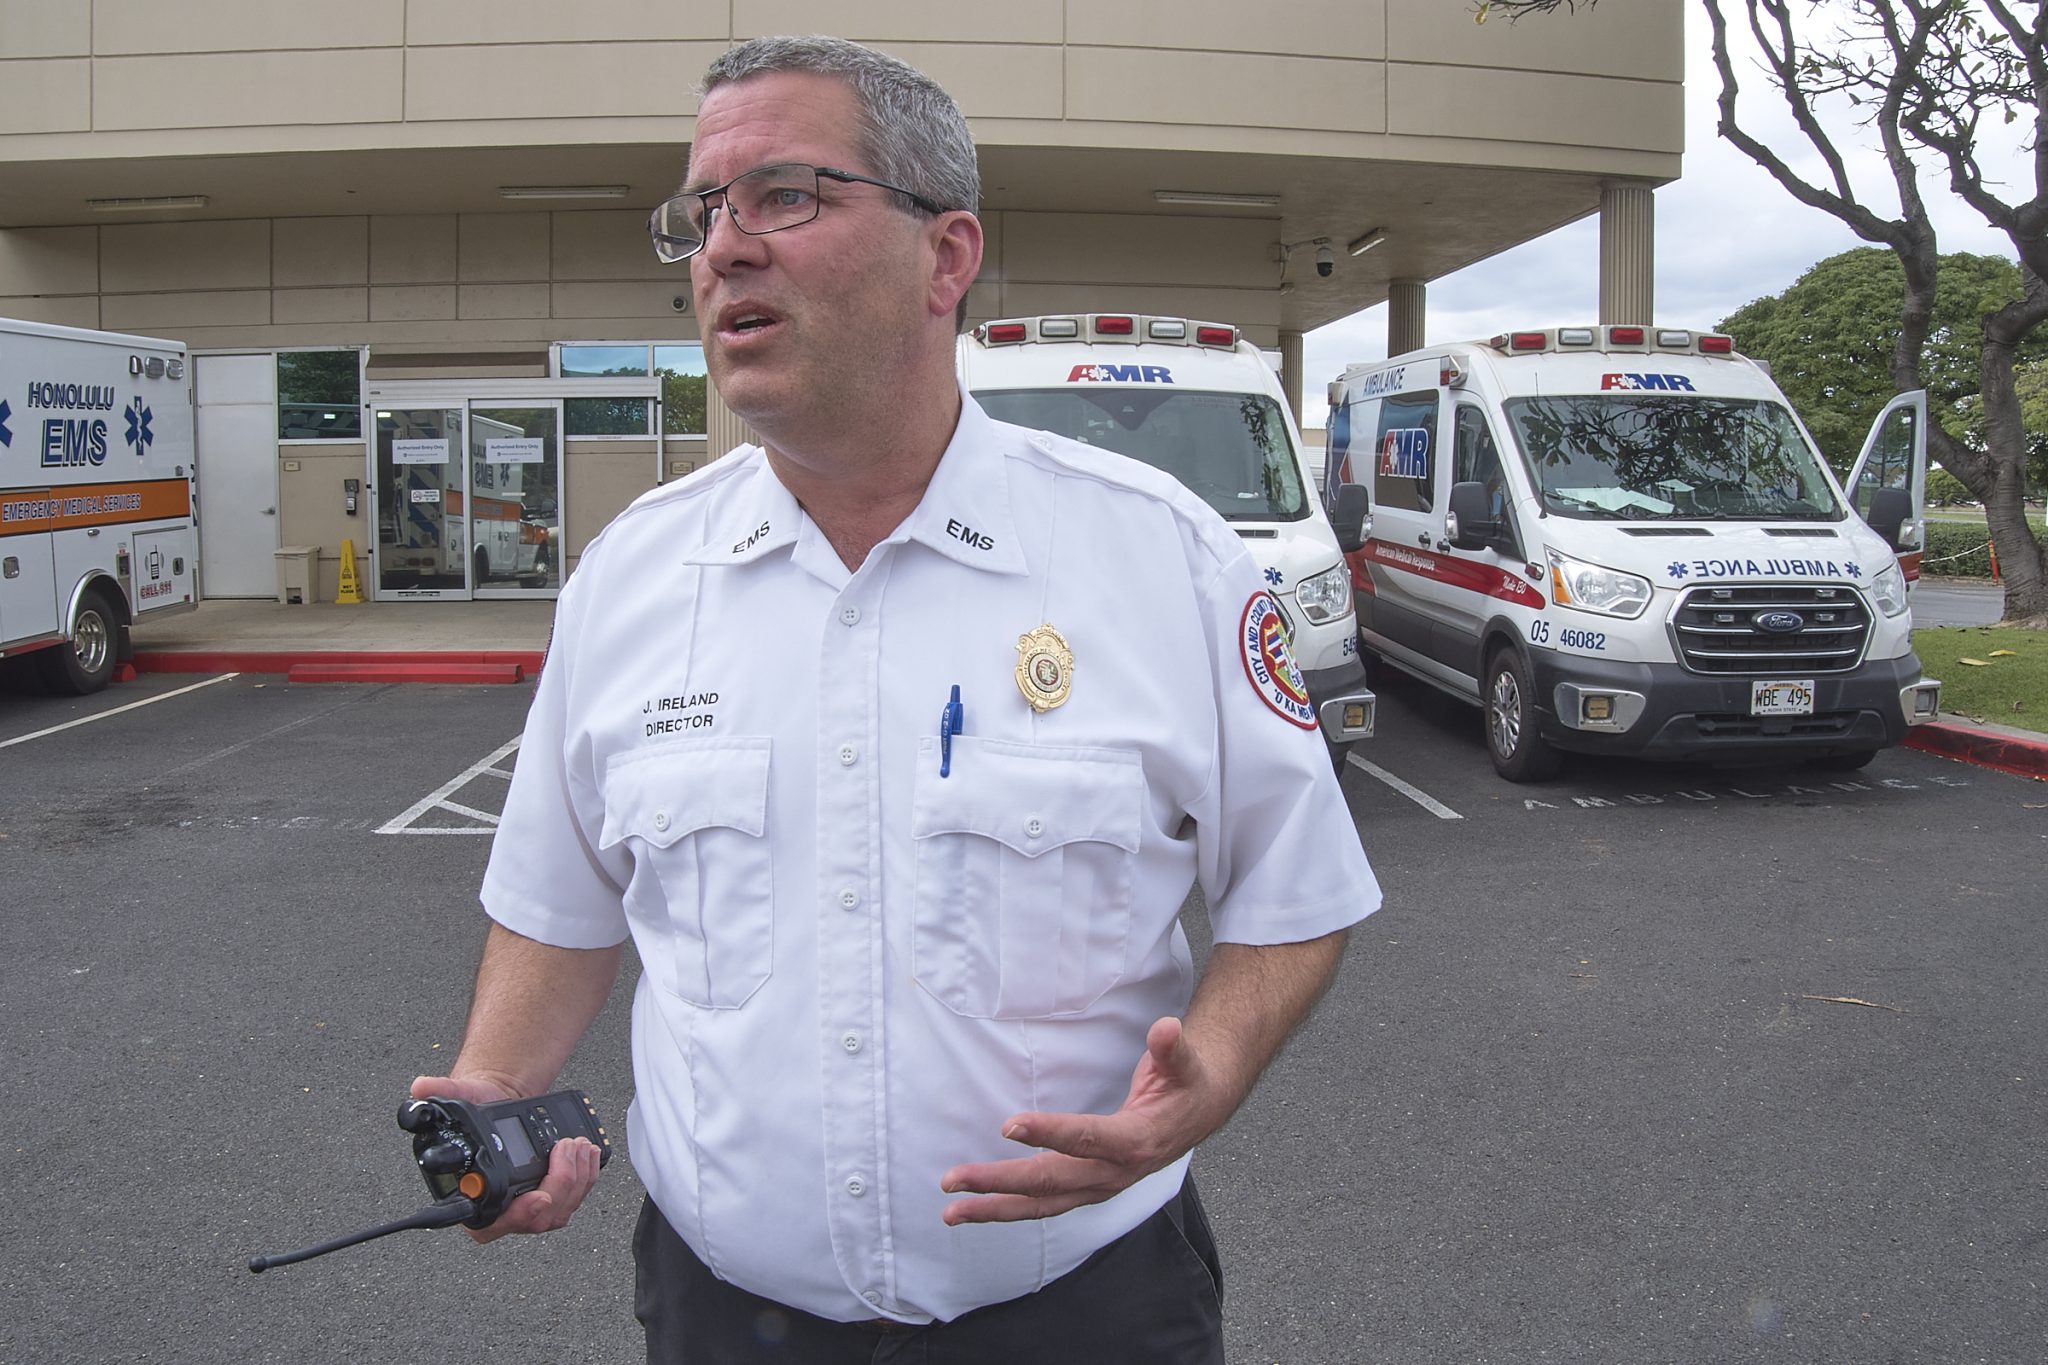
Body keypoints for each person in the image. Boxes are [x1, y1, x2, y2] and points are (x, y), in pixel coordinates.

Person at [412, 34, 1380, 1364]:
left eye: (785, 197)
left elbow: (1298, 893)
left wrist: (1210, 1069)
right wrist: (496, 1096)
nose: (724, 248)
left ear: (947, 256)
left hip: (1085, 1310)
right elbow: (562, 907)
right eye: (703, 212)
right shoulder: (633, 581)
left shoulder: (1162, 557)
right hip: (725, 1318)